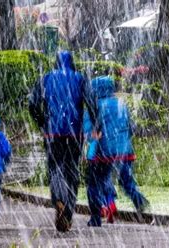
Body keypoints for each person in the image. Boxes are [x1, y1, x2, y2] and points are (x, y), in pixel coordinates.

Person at [29, 50, 96, 232]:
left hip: (53, 132)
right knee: (72, 170)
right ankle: (67, 213)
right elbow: (91, 102)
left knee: (55, 168)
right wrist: (95, 124)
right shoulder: (80, 79)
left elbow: (33, 103)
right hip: (74, 132)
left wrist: (43, 121)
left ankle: (58, 198)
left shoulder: (46, 79)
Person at [84, 76, 149, 227]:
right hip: (124, 151)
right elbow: (131, 127)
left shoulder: (94, 106)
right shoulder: (121, 104)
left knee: (94, 183)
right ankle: (139, 201)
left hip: (103, 152)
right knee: (127, 182)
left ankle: (95, 218)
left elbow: (88, 132)